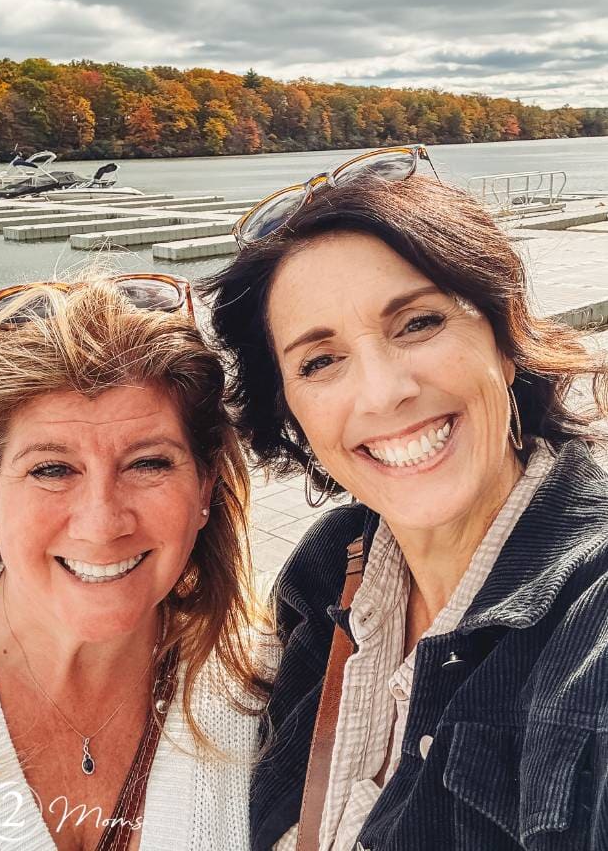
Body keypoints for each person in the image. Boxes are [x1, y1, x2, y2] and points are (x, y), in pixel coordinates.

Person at [203, 147, 608, 851]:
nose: (383, 391)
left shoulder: (591, 617)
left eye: (417, 323)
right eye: (321, 361)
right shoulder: (326, 572)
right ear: (292, 412)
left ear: (505, 337)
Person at [0, 273, 267, 851]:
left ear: (205, 487)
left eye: (148, 463)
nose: (101, 523)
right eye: (51, 469)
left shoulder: (263, 694)